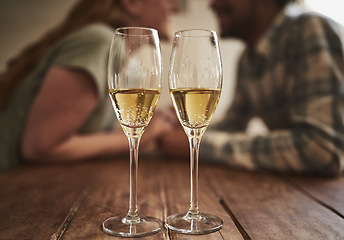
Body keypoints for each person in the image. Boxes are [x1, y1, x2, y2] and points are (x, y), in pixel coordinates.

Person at [160, 0, 344, 177]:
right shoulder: (248, 59)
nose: (212, 4)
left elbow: (323, 149)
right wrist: (187, 131)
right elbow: (233, 124)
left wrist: (204, 145)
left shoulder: (310, 30)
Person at [0, 0, 178, 171]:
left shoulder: (130, 66)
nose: (175, 7)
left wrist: (150, 123)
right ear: (131, 3)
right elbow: (40, 147)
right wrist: (140, 136)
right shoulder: (97, 40)